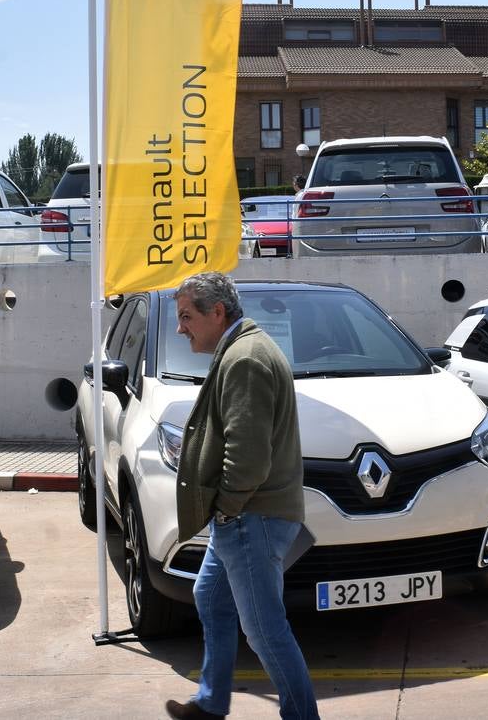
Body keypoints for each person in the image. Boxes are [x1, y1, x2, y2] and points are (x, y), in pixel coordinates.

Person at [165, 272, 319, 720]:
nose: (181, 328)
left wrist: (226, 509)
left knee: (266, 631)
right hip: (246, 515)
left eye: (187, 316)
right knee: (211, 598)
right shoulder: (243, 350)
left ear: (218, 312)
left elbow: (248, 458)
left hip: (250, 517)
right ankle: (211, 704)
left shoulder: (245, 359)